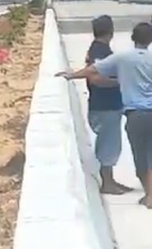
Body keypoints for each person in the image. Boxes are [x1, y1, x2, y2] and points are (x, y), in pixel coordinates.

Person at [59, 21, 152, 208]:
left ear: (132, 38)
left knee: (141, 155)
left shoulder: (122, 58)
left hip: (136, 115)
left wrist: (70, 75)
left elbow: (93, 70)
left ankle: (149, 196)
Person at [58, 15, 129, 195]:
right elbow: (95, 78)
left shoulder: (97, 49)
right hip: (106, 106)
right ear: (110, 31)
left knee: (110, 144)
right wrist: (121, 82)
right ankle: (108, 183)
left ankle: (110, 180)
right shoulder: (101, 51)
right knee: (109, 145)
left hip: (102, 104)